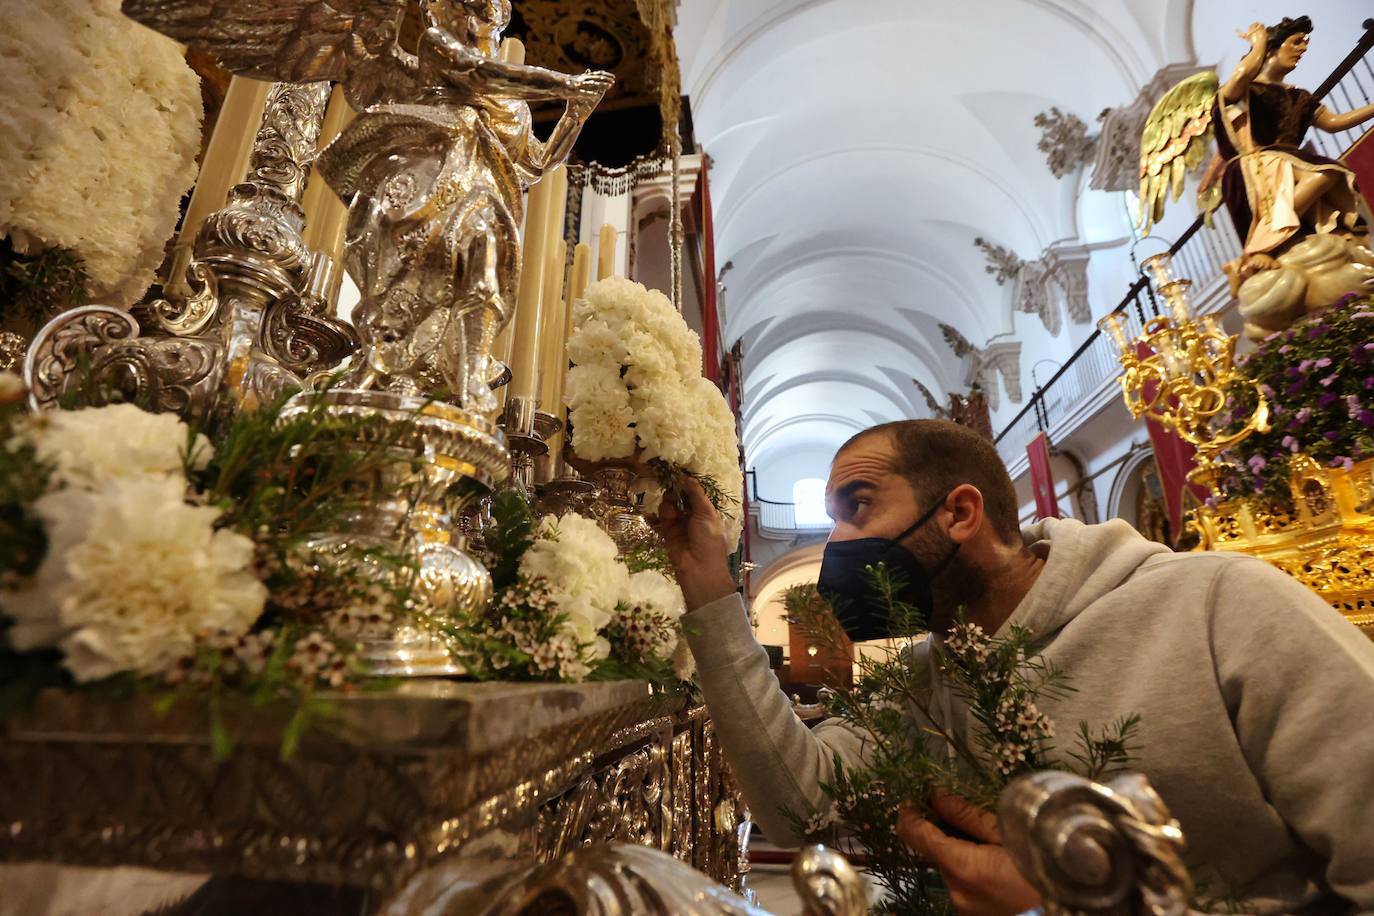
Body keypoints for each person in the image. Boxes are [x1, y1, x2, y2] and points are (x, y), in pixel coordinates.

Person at [653, 419, 1374, 914]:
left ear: (960, 512)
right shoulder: (929, 681)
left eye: (858, 506)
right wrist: (710, 592)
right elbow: (800, 808)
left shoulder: (1221, 605)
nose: (836, 540)